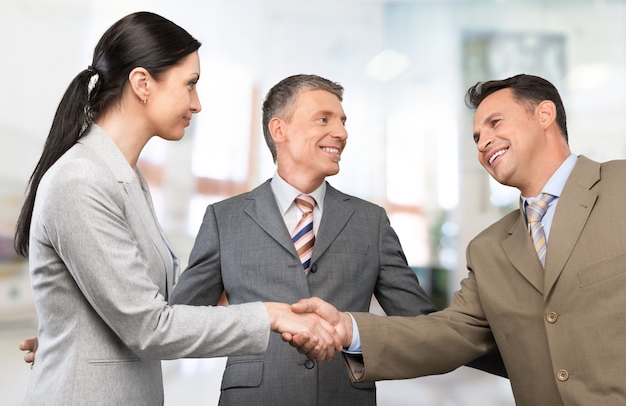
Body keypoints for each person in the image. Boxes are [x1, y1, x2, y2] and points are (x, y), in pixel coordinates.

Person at [13, 12, 340, 406]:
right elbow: (150, 327)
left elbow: (152, 306)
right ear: (142, 84)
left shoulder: (128, 180)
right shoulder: (81, 181)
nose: (197, 104)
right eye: (190, 85)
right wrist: (269, 315)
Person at [288, 73, 626, 406]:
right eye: (477, 136)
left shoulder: (619, 186)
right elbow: (452, 332)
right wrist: (349, 329)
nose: (482, 142)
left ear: (544, 115)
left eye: (495, 122)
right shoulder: (489, 249)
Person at [168, 74, 505, 406]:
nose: (341, 133)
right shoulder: (224, 218)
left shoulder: (370, 222)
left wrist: (521, 356)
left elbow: (424, 325)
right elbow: (182, 322)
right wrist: (259, 319)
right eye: (323, 119)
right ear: (279, 130)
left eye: (343, 121)